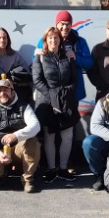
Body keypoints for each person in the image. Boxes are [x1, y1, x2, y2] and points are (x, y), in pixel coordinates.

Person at [32, 26, 79, 182]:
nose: (53, 40)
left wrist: (65, 94)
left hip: (66, 102)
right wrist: (53, 97)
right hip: (48, 103)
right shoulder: (40, 57)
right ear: (46, 40)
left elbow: (75, 79)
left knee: (67, 137)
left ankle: (63, 169)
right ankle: (52, 169)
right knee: (49, 137)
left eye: (56, 37)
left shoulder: (68, 56)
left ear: (60, 40)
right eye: (50, 38)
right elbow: (37, 80)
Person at [0, 78, 42, 193]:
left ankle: (28, 180)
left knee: (32, 141)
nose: (2, 93)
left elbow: (36, 126)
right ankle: (3, 173)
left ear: (12, 92)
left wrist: (16, 135)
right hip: (0, 149)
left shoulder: (24, 106)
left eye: (6, 90)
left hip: (19, 148)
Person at [36, 11, 92, 104]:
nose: (65, 27)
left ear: (71, 25)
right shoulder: (45, 40)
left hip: (73, 92)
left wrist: (76, 58)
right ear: (56, 24)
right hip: (51, 91)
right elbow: (35, 64)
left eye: (68, 24)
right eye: (62, 24)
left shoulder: (79, 41)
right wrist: (37, 56)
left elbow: (89, 63)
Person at [0, 26, 32, 96]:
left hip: (14, 92)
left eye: (4, 38)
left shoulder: (15, 56)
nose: (2, 40)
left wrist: (13, 80)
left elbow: (27, 72)